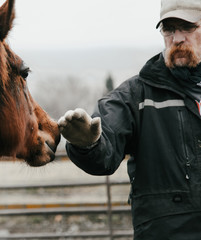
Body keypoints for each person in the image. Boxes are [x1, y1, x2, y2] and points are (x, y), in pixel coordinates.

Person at [58, 0, 201, 239]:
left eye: (187, 27)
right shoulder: (136, 96)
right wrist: (88, 144)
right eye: (169, 29)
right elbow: (106, 147)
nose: (176, 38)